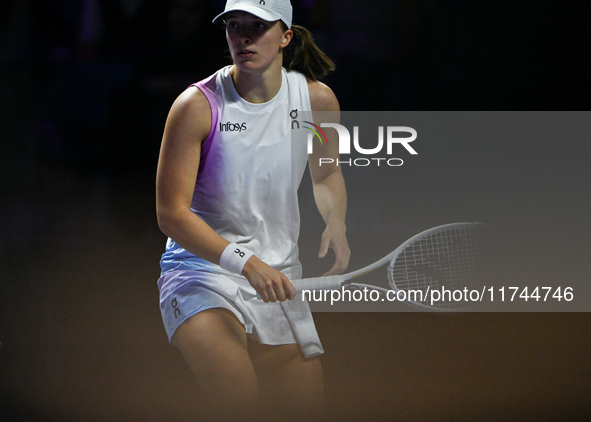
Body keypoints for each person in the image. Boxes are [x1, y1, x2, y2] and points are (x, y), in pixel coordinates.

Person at [155, 0, 349, 420]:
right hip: (203, 274)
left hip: (279, 278)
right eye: (233, 25)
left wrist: (336, 222)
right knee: (238, 402)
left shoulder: (317, 100)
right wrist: (246, 263)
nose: (243, 36)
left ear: (286, 36)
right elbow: (171, 214)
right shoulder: (197, 106)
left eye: (258, 26)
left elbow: (326, 174)